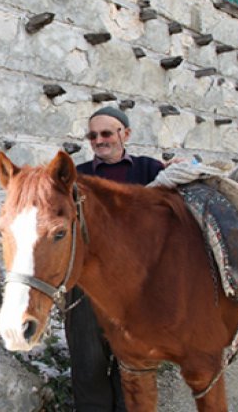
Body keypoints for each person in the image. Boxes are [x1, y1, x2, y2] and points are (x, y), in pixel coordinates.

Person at [66, 106, 165, 411]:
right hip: (86, 284)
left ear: (126, 134)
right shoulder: (76, 175)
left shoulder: (151, 170)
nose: (99, 140)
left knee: (133, 361)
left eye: (107, 133)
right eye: (93, 135)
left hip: (136, 287)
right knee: (88, 359)